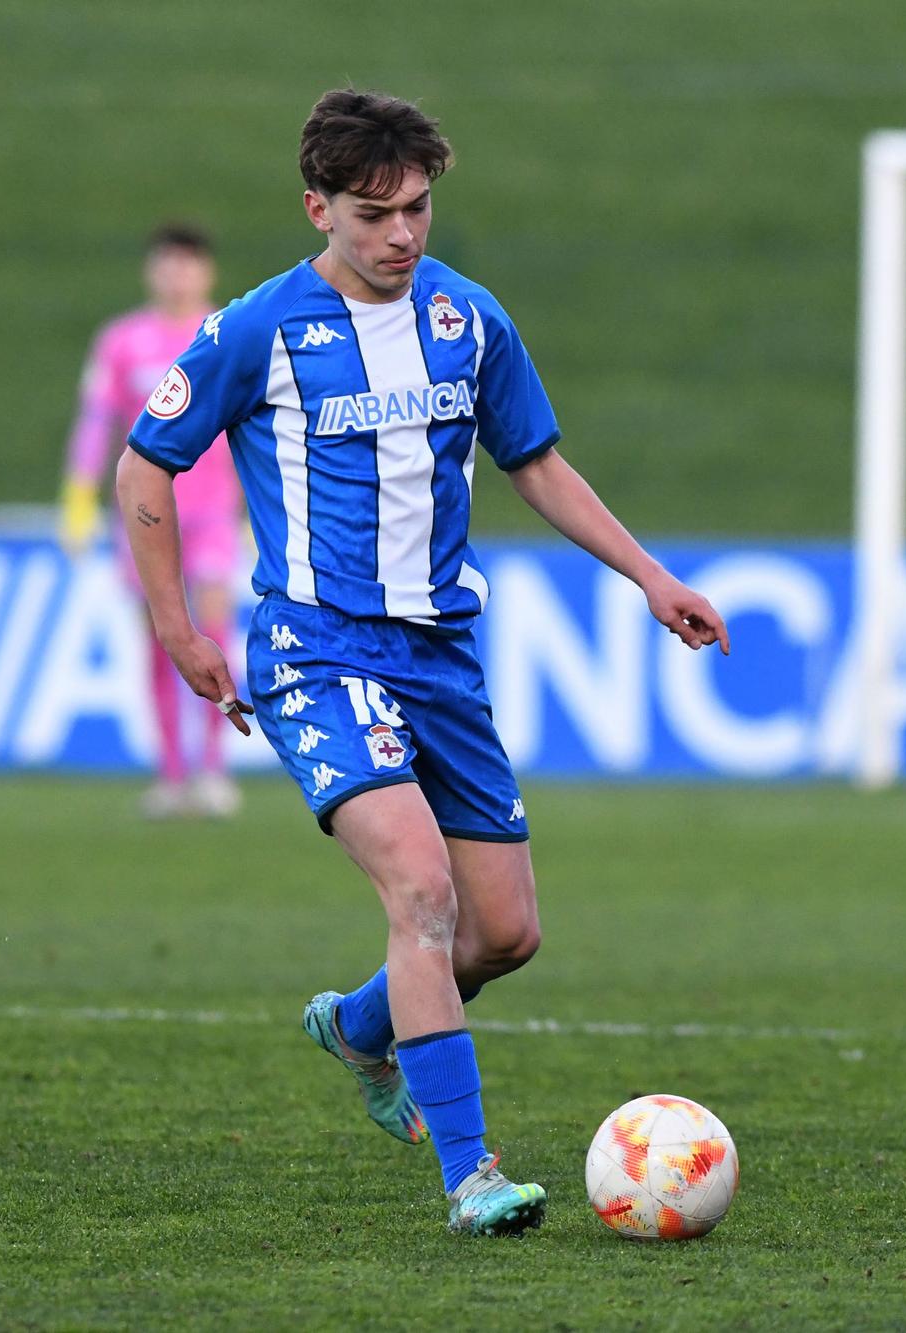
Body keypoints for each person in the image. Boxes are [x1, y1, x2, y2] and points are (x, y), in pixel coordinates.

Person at [116, 89, 729, 1235]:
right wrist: (177, 631)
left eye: (417, 209)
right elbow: (143, 468)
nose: (402, 233)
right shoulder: (256, 329)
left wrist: (649, 576)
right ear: (318, 208)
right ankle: (470, 1175)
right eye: (374, 213)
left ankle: (358, 1027)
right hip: (315, 648)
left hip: (440, 656)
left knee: (504, 933)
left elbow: (533, 461)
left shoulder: (466, 318)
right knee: (422, 891)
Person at [60, 225, 245, 818]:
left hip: (213, 512)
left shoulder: (228, 332)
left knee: (215, 629)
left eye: (188, 265)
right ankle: (170, 773)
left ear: (206, 272)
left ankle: (214, 770)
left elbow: (255, 425)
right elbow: (96, 421)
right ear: (151, 271)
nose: (177, 275)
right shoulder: (122, 341)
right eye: (167, 264)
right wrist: (79, 496)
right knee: (160, 637)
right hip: (143, 516)